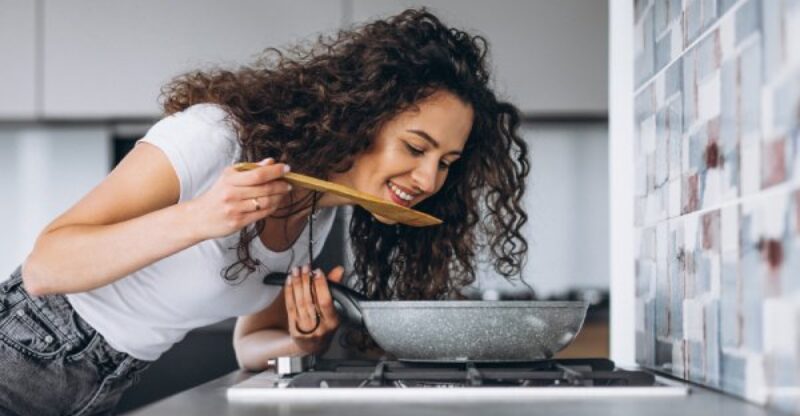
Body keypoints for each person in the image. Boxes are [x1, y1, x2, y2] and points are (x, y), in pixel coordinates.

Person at [0, 8, 529, 416]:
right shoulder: (216, 137)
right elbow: (47, 267)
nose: (429, 180)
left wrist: (303, 340)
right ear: (366, 115)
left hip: (102, 383)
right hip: (21, 355)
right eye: (416, 149)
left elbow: (249, 343)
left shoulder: (319, 214)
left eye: (446, 163)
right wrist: (200, 217)